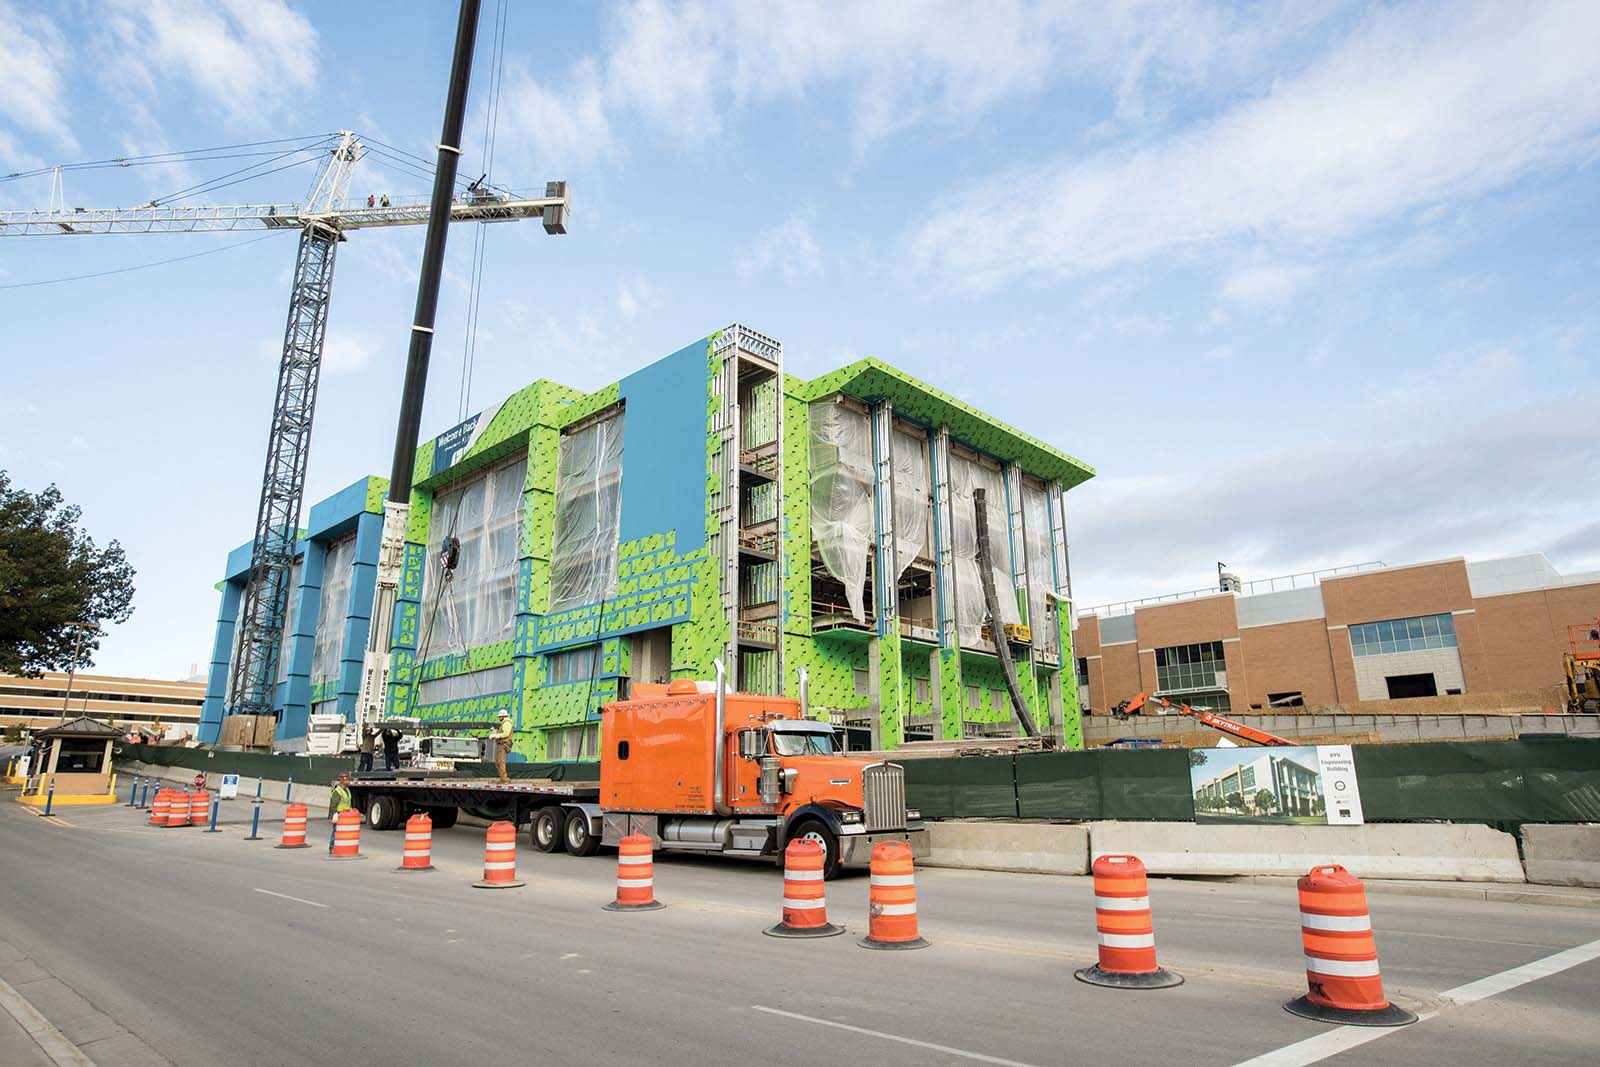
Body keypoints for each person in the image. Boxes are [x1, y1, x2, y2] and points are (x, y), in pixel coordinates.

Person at [328, 773, 352, 851]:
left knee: (343, 833)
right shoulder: (338, 791)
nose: (348, 781)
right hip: (339, 814)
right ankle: (332, 848)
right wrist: (335, 814)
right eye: (346, 780)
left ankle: (340, 848)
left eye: (348, 780)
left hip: (346, 816)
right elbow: (333, 805)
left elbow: (348, 803)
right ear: (342, 781)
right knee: (335, 832)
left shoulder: (347, 790)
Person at [492, 709, 514, 782]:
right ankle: (502, 778)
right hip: (501, 744)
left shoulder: (506, 723)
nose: (499, 718)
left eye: (500, 716)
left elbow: (506, 734)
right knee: (498, 762)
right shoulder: (504, 723)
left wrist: (497, 736)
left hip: (503, 744)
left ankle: (504, 779)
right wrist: (494, 733)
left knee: (501, 762)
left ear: (503, 716)